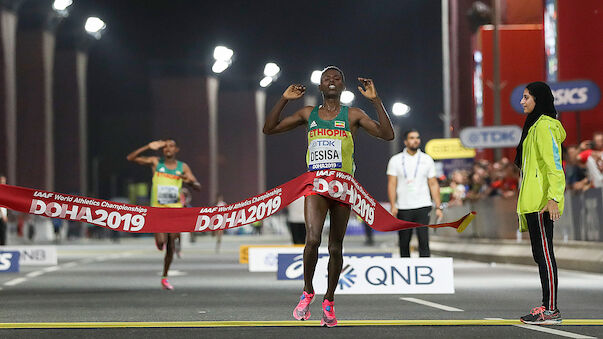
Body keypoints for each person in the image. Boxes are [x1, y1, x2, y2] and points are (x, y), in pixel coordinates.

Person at [263, 66, 394, 327]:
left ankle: (329, 300)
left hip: (343, 186)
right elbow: (270, 128)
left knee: (335, 246)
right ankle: (307, 291)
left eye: (336, 79)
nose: (331, 81)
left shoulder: (353, 115)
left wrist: (375, 100)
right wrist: (284, 99)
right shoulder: (307, 114)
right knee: (312, 239)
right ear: (320, 87)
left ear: (343, 86)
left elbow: (387, 134)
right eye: (326, 79)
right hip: (316, 186)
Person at [515, 81, 565, 325]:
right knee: (540, 256)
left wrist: (554, 197)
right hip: (533, 203)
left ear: (538, 99)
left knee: (545, 256)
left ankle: (552, 310)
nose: (522, 102)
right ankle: (547, 306)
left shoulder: (544, 126)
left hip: (543, 203)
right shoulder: (533, 126)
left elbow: (555, 165)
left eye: (526, 97)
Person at [127, 139, 201, 290]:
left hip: (175, 211)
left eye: (171, 146)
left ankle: (164, 277)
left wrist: (190, 182)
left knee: (171, 245)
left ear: (176, 150)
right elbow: (131, 158)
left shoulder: (183, 167)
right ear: (162, 149)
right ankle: (159, 241)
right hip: (158, 210)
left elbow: (197, 186)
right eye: (165, 146)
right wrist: (148, 146)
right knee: (162, 242)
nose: (168, 148)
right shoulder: (155, 162)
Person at [386, 129, 443, 257]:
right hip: (403, 206)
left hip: (423, 205)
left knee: (424, 240)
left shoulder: (427, 159)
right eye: (411, 138)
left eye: (417, 137)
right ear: (405, 141)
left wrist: (438, 206)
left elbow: (433, 184)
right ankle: (405, 270)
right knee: (404, 241)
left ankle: (425, 270)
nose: (415, 140)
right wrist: (393, 205)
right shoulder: (395, 160)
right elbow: (392, 184)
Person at [0, 175, 7, 245]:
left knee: (3, 233)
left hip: (3, 216)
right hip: (1, 217)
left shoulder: (5, 190)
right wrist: (3, 215)